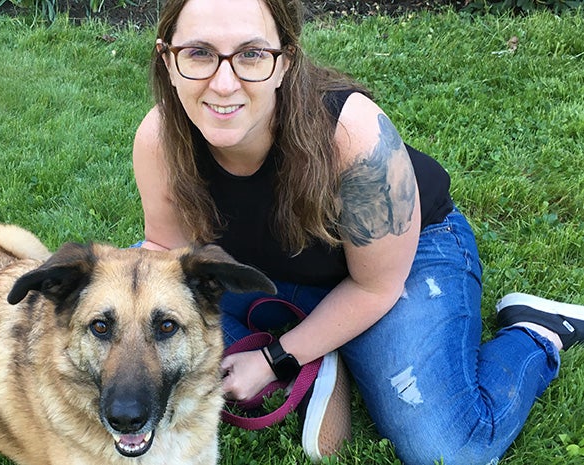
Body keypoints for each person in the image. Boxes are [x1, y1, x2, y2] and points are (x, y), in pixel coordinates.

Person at [131, 0, 584, 463]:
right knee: (153, 346)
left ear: (285, 62)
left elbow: (375, 285)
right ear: (168, 59)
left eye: (251, 54)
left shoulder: (354, 136)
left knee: (449, 447)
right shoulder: (160, 138)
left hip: (398, 262)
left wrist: (273, 361)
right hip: (270, 265)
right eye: (199, 53)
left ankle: (534, 334)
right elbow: (167, 252)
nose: (223, 83)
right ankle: (325, 349)